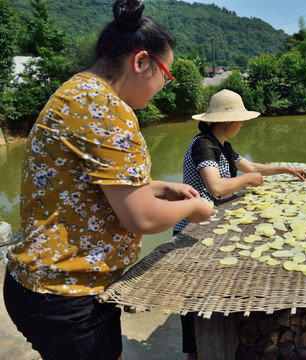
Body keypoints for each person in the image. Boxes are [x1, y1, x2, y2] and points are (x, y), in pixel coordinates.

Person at [2, 1, 215, 360]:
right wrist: (192, 207)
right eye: (167, 73)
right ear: (141, 61)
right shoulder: (107, 109)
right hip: (66, 293)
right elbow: (142, 218)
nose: (164, 85)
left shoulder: (78, 92)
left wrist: (162, 188)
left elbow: (89, 187)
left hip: (44, 285)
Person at [173, 89, 306, 359]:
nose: (242, 124)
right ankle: (196, 352)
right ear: (227, 122)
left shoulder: (222, 144)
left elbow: (251, 166)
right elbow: (216, 187)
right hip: (192, 229)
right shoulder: (204, 144)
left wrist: (287, 170)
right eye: (240, 119)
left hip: (212, 225)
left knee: (212, 289)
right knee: (195, 296)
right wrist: (247, 181)